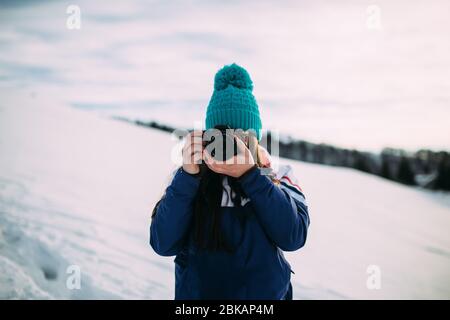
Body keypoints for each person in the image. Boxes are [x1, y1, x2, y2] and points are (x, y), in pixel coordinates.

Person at [150, 63, 310, 299]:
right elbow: (162, 243)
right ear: (208, 135)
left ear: (256, 136)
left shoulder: (275, 173)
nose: (231, 145)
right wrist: (188, 177)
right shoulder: (190, 174)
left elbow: (293, 236)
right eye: (222, 134)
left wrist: (252, 176)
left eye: (242, 136)